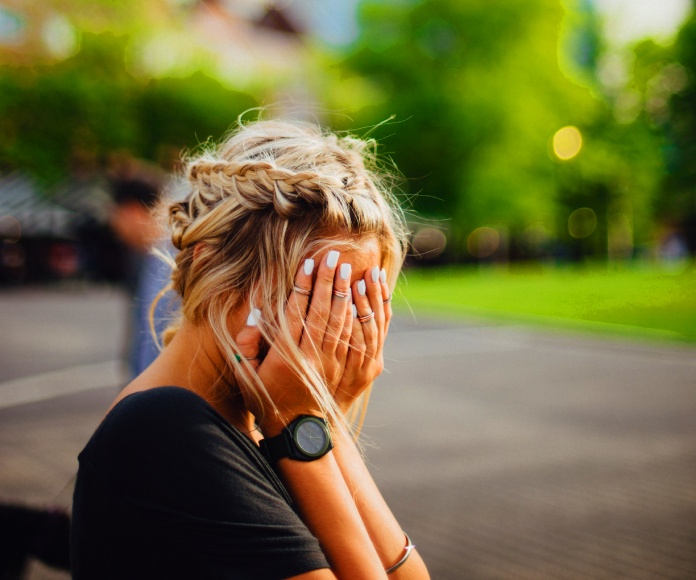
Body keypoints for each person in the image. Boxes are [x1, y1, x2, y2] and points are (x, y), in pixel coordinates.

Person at [71, 119, 430, 579]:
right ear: (215, 271)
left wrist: (322, 422)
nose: (339, 334)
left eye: (359, 302)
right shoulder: (165, 430)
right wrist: (301, 429)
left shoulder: (261, 415)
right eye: (316, 297)